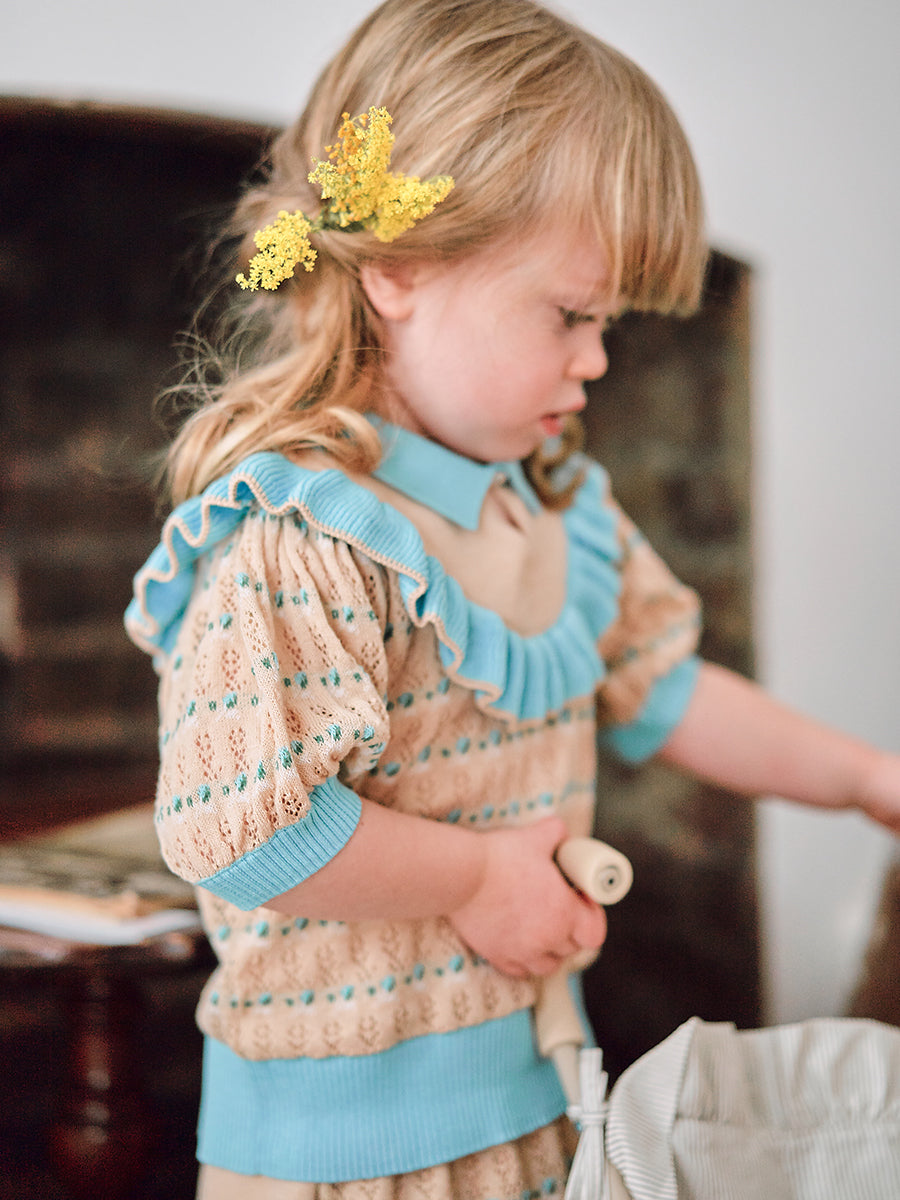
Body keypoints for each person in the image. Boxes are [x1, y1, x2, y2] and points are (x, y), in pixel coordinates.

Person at [125, 1, 900, 1196]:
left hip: (536, 1102)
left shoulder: (553, 509)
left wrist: (868, 781)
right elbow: (243, 825)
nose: (597, 359)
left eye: (609, 322)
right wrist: (481, 879)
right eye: (571, 315)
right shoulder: (302, 537)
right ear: (398, 268)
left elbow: (666, 688)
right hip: (345, 1160)